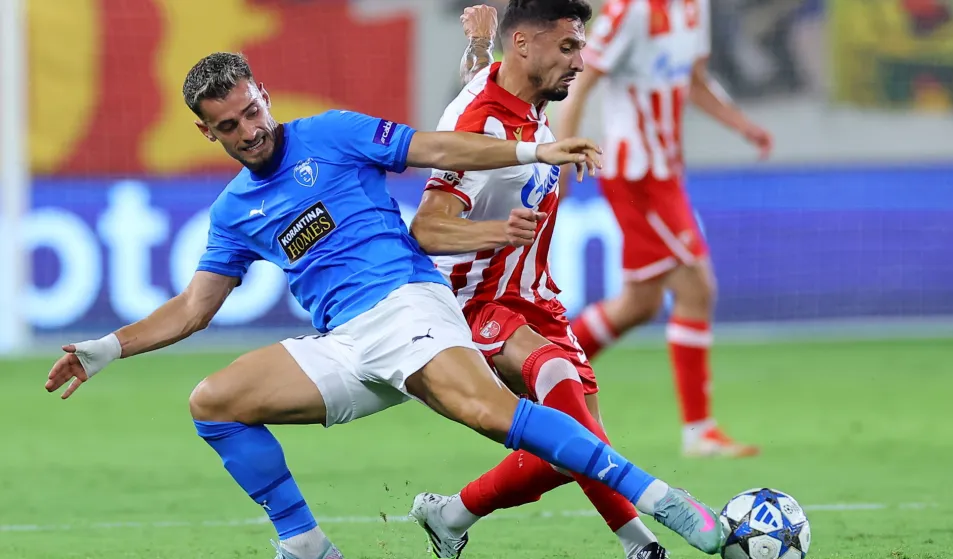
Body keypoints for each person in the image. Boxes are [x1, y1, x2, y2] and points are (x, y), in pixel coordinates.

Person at [44, 52, 726, 559]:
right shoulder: (234, 212)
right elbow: (194, 308)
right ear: (207, 133)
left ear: (265, 96)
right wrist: (106, 348)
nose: (250, 130)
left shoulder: (332, 135)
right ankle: (307, 544)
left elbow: (431, 146)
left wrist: (531, 147)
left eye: (253, 111)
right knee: (213, 402)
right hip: (343, 343)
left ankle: (661, 499)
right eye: (230, 125)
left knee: (498, 418)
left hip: (408, 305)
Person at [407, 3, 722, 558]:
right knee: (556, 382)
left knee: (571, 449)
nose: (580, 62)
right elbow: (427, 228)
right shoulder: (477, 124)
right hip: (472, 299)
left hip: (535, 297)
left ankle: (449, 515)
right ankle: (643, 541)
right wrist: (497, 231)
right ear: (525, 45)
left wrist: (480, 43)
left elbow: (481, 74)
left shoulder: (521, 91)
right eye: (569, 48)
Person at [557, 0, 773, 458]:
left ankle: (544, 372)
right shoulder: (628, 10)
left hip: (666, 173)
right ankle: (699, 432)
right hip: (635, 174)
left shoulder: (694, 8)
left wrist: (742, 125)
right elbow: (579, 84)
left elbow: (694, 80)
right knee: (697, 286)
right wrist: (560, 159)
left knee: (639, 303)